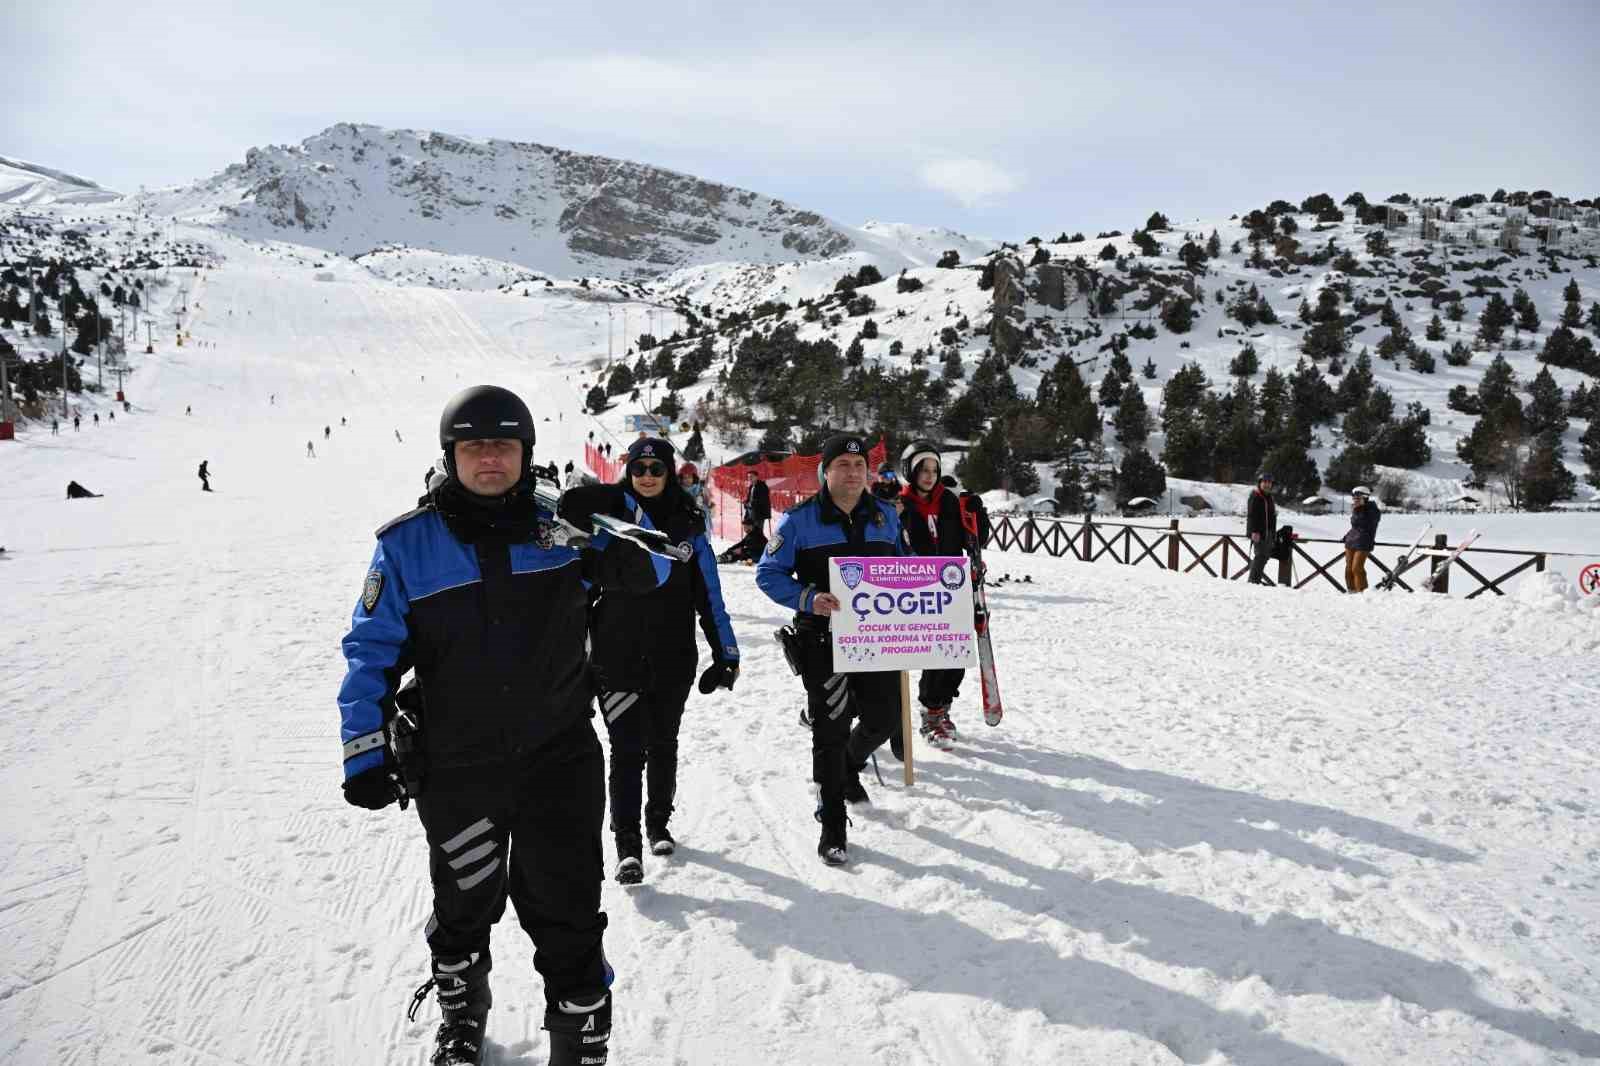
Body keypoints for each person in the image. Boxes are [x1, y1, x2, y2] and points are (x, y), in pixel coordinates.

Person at [336, 385, 662, 1066]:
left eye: (504, 444)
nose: (490, 457)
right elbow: (369, 654)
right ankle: (462, 1017)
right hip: (458, 768)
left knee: (569, 911)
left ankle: (581, 1039)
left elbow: (656, 566)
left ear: (526, 454)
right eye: (474, 445)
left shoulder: (562, 527)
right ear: (451, 454)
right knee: (464, 900)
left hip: (559, 763)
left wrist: (612, 532)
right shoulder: (407, 546)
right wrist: (362, 750)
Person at [558, 438, 739, 884]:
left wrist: (726, 652)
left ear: (669, 471)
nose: (647, 477)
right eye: (638, 468)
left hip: (673, 654)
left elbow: (709, 593)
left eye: (656, 468)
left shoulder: (689, 523)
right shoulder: (609, 517)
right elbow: (576, 580)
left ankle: (658, 823)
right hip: (616, 654)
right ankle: (627, 847)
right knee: (626, 749)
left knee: (663, 743)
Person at [755, 434, 906, 866]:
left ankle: (847, 768)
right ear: (826, 471)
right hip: (824, 643)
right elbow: (769, 573)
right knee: (831, 728)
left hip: (877, 640)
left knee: (883, 718)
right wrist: (808, 598)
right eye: (843, 464)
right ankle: (832, 823)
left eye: (860, 466)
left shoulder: (884, 517)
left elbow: (905, 566)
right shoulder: (798, 521)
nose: (853, 473)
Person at [898, 440, 967, 751]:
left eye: (934, 469)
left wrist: (978, 515)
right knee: (934, 654)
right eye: (923, 469)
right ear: (910, 471)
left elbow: (971, 539)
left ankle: (942, 707)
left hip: (952, 584)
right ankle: (931, 712)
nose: (929, 475)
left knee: (957, 654)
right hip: (919, 586)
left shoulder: (949, 501)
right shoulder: (902, 503)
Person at [717, 472, 771, 563]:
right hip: (751, 512)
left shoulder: (762, 486)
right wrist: (746, 502)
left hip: (759, 514)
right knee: (750, 535)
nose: (750, 478)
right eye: (748, 477)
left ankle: (755, 553)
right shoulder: (751, 487)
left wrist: (750, 503)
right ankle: (730, 555)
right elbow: (750, 498)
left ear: (756, 477)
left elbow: (762, 500)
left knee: (757, 534)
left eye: (751, 477)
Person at [1343, 485, 1382, 593]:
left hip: (1364, 542)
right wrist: (1347, 536)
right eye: (1354, 498)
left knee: (1357, 568)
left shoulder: (1373, 510)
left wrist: (1360, 509)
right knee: (1348, 569)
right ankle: (1351, 591)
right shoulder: (1356, 509)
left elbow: (1367, 524)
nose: (1355, 500)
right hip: (1351, 541)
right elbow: (1355, 526)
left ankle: (1362, 592)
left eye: (1358, 498)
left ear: (1365, 497)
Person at [1246, 472, 1278, 585]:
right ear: (1260, 483)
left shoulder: (1269, 497)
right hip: (1258, 532)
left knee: (1265, 556)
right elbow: (1251, 515)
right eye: (1264, 482)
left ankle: (1256, 579)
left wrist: (1273, 533)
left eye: (1269, 483)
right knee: (1260, 555)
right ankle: (1253, 581)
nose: (1267, 485)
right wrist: (1253, 531)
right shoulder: (1255, 496)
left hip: (1268, 532)